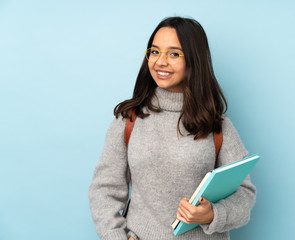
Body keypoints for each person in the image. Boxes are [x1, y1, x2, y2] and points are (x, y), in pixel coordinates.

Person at [88, 16, 256, 240]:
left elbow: (244, 194)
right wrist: (116, 237)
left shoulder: (218, 126)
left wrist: (212, 214)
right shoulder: (129, 120)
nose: (160, 62)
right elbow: (104, 190)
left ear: (194, 60)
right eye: (154, 52)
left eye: (174, 54)